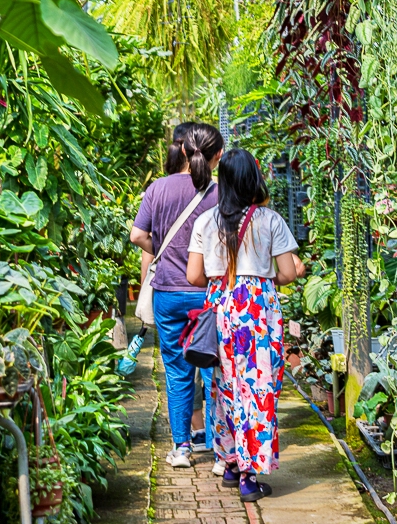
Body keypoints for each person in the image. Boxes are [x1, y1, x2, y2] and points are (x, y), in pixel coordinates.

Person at [186, 148, 305, 502]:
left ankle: (232, 462)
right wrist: (260, 276)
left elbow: (194, 275)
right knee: (257, 387)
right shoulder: (269, 221)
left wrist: (222, 278)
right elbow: (287, 273)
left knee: (224, 386)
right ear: (253, 179)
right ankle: (249, 477)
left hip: (220, 307)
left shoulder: (205, 222)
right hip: (256, 312)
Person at [130, 123, 224, 469]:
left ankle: (182, 448)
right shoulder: (220, 193)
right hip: (210, 295)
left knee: (177, 371)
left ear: (181, 150)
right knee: (217, 370)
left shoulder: (158, 188)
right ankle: (219, 449)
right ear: (217, 156)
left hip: (168, 292)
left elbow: (137, 235)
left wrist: (165, 253)